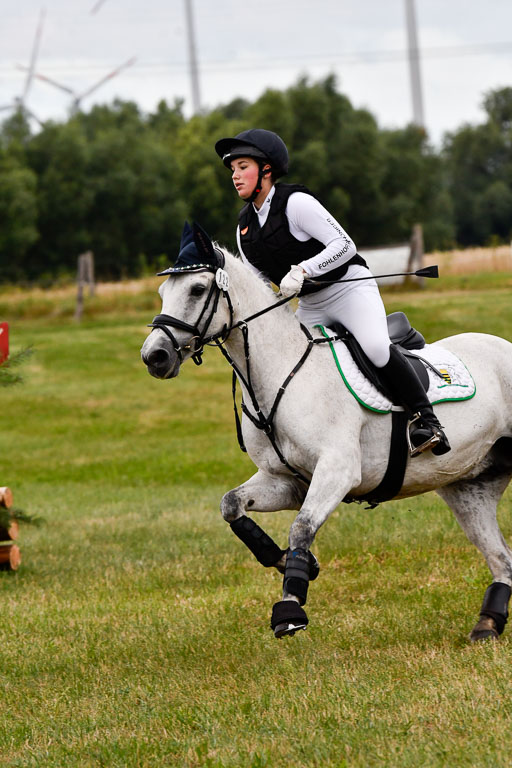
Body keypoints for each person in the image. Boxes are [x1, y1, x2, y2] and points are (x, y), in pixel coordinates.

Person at [214, 128, 450, 456]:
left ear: (266, 169)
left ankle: (427, 420)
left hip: (348, 289)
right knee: (293, 361)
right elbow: (259, 288)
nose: (235, 176)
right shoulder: (244, 227)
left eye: (242, 167)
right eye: (233, 170)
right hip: (311, 303)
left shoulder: (296, 203)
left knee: (376, 348)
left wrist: (304, 269)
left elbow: (344, 244)